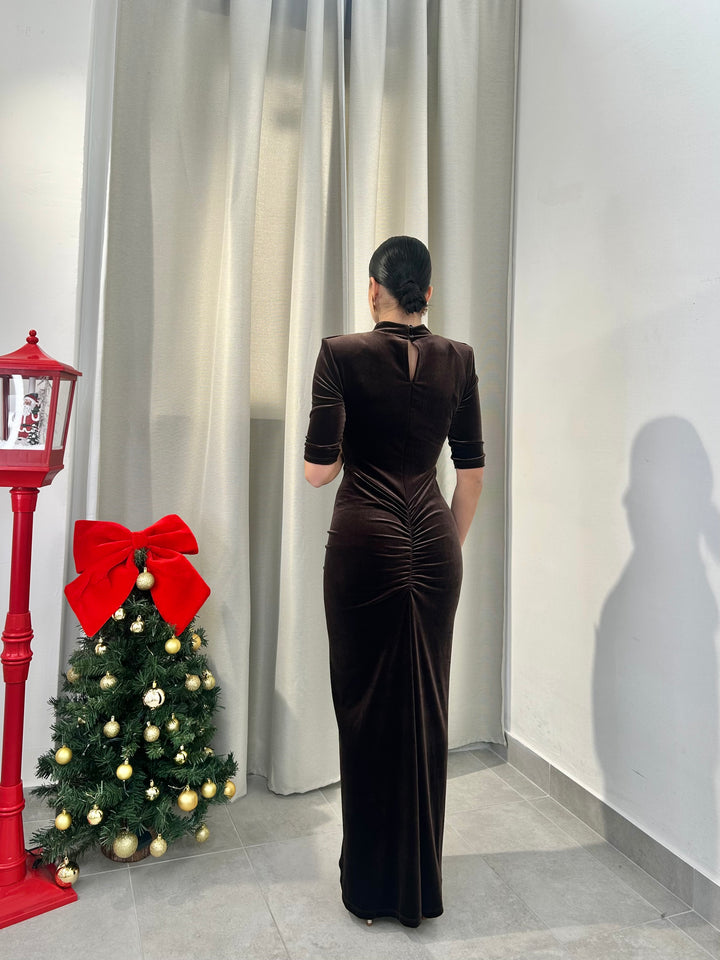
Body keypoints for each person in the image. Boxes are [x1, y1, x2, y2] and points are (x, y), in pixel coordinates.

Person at [304, 236, 485, 927]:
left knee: (363, 711)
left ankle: (370, 888)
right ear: (427, 294)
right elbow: (470, 476)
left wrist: (348, 439)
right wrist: (441, 552)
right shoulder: (459, 358)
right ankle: (419, 888)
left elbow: (318, 472)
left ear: (373, 289)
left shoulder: (339, 354)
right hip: (435, 545)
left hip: (363, 548)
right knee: (425, 711)